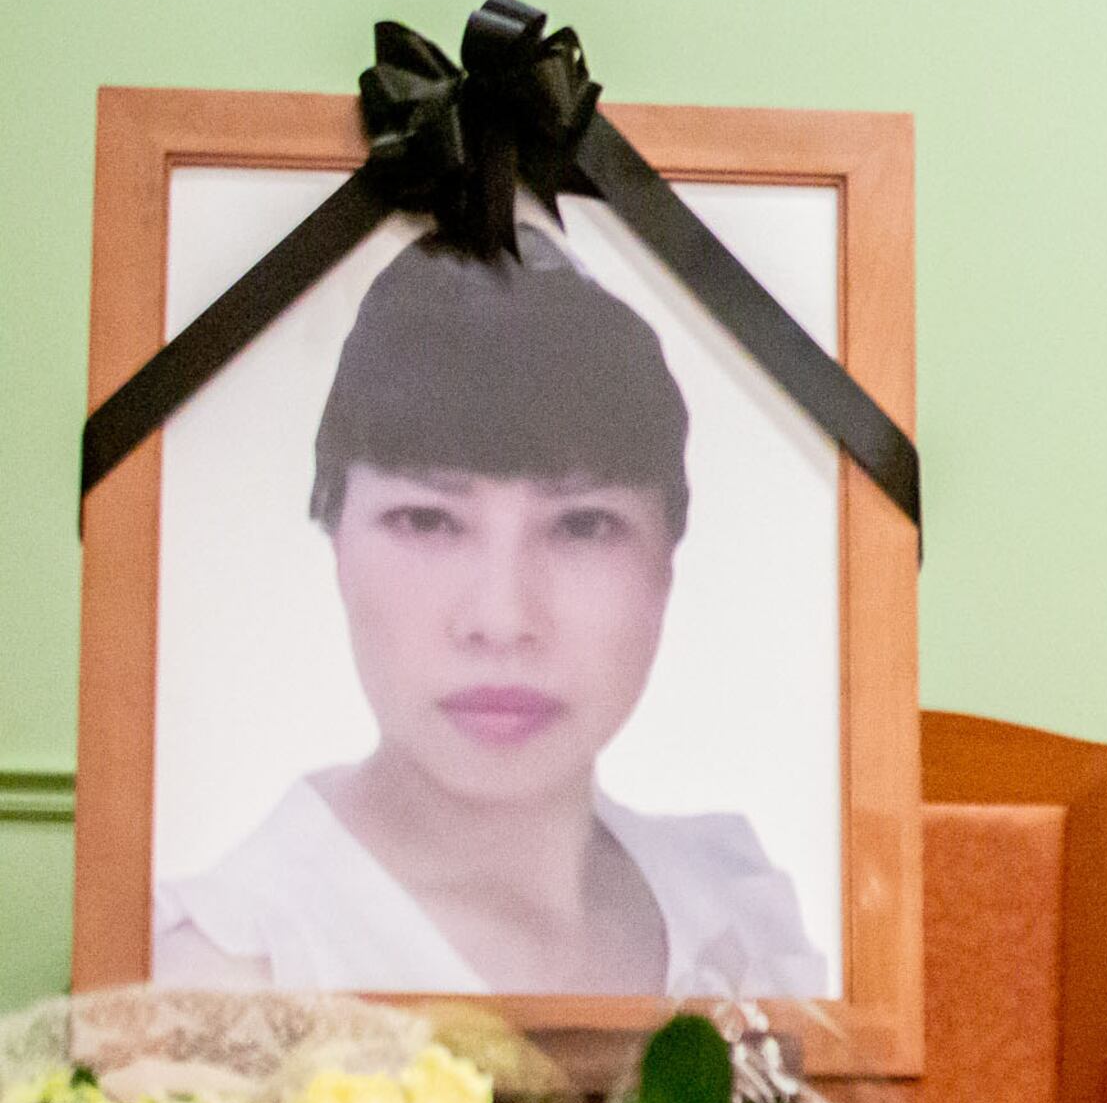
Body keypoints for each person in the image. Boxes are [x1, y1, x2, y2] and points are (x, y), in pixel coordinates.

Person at [152, 228, 829, 996]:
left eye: (582, 526)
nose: (503, 620)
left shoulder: (736, 915)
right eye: (427, 520)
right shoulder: (225, 975)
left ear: (667, 558)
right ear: (335, 538)